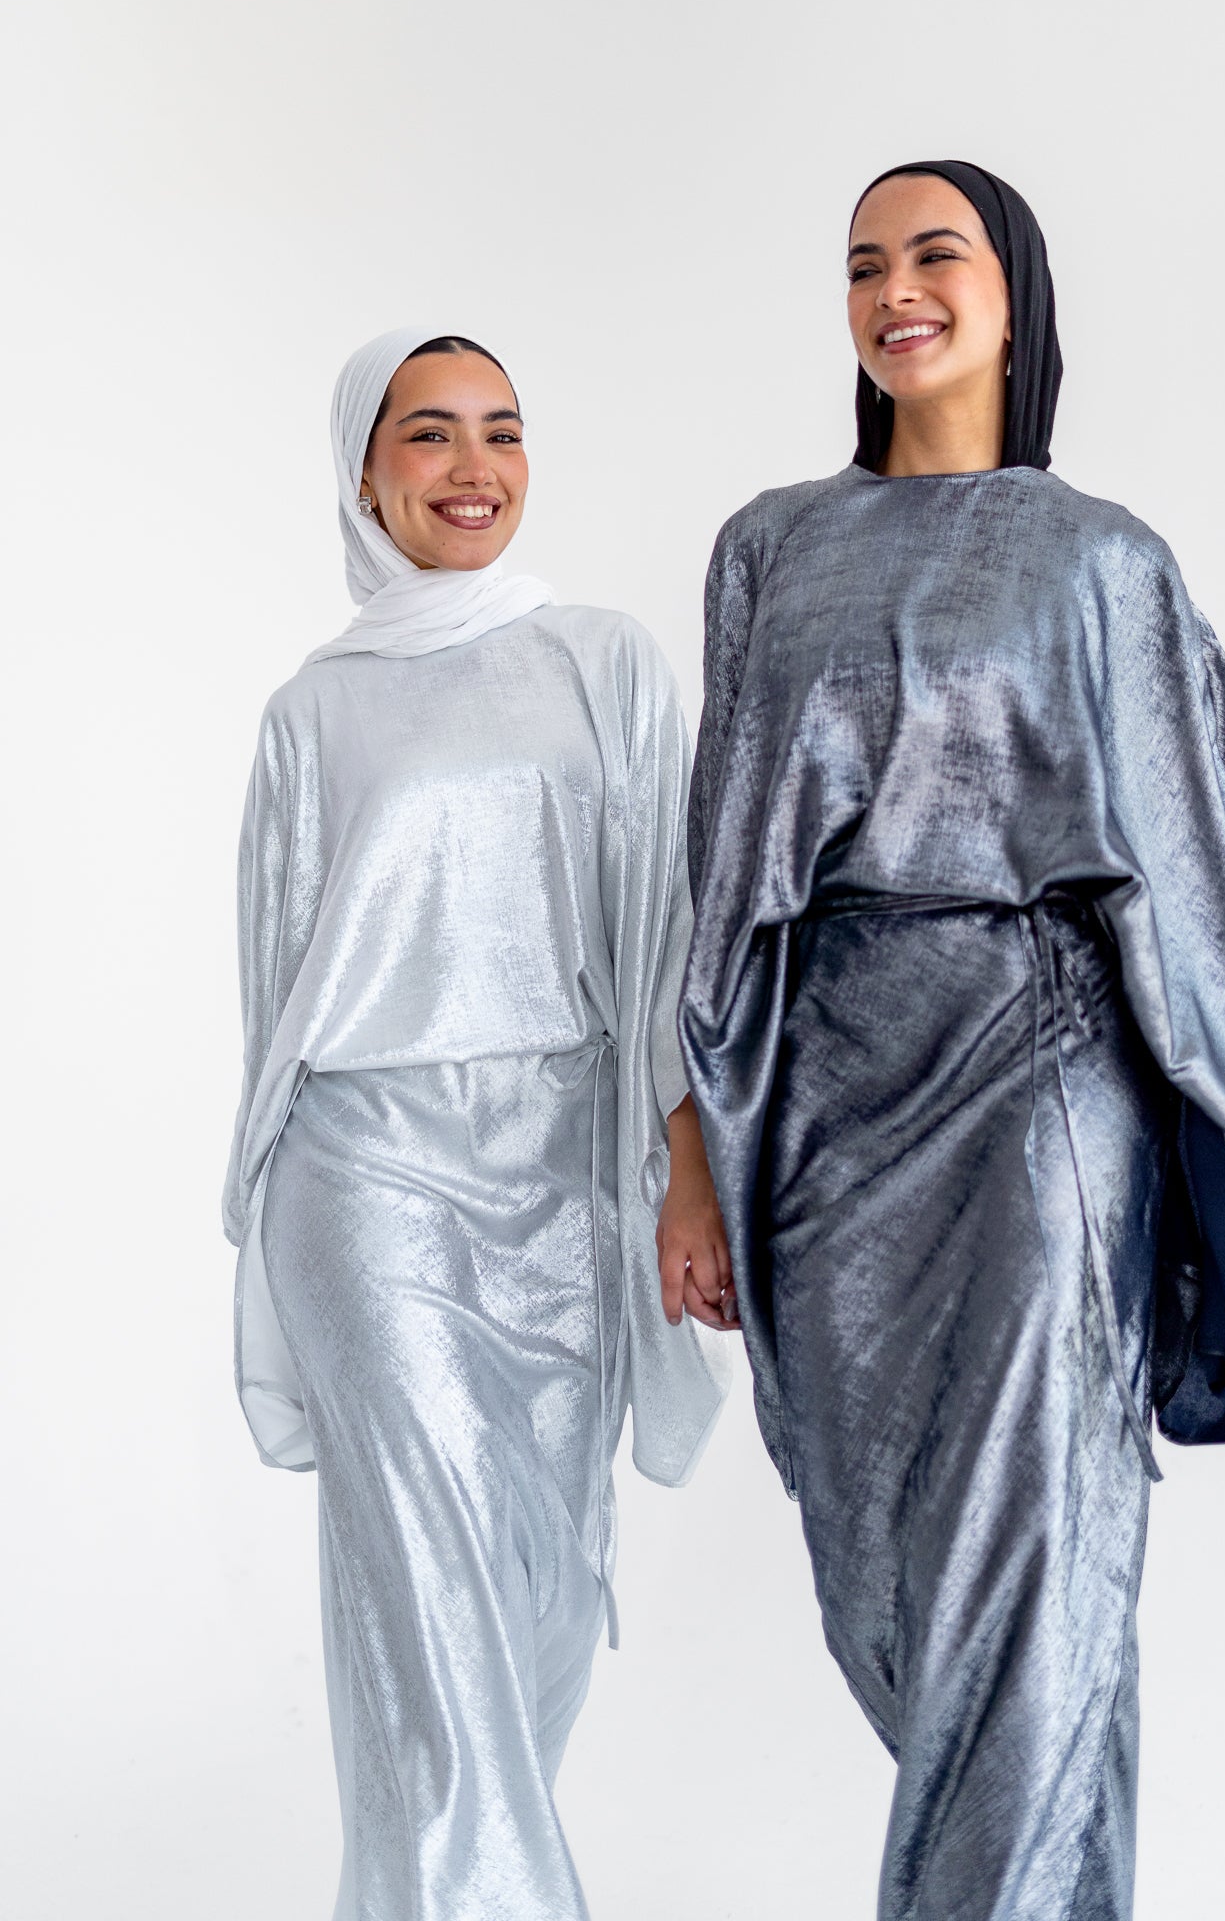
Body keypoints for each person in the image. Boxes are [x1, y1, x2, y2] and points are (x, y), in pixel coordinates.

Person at [673, 162, 1225, 1920]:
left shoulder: (1102, 561)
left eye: (934, 255)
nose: (894, 291)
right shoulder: (765, 548)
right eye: (862, 267)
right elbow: (718, 872)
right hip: (823, 1118)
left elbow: (1198, 886)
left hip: (1039, 1096)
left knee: (1036, 1584)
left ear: (1013, 294)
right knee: (897, 1597)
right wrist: (689, 1151)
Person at [222, 327, 729, 1921]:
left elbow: (666, 941)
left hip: (564, 1184)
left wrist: (683, 1170)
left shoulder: (599, 661)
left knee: (528, 1612)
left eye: (501, 431)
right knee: (431, 1621)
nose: (472, 468)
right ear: (363, 475)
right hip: (366, 1183)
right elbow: (274, 994)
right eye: (428, 433)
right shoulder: (313, 713)